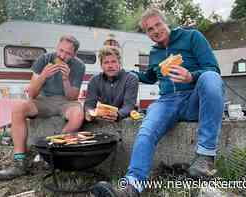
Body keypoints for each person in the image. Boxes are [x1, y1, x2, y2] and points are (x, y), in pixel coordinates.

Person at [92, 7, 224, 197]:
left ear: (166, 23)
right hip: (168, 101)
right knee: (146, 131)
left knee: (211, 77)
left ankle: (205, 157)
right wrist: (129, 73)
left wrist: (190, 76)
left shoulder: (192, 37)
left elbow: (212, 68)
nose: (155, 31)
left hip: (194, 98)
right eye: (149, 29)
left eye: (158, 25)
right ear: (146, 33)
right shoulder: (154, 53)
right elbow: (151, 76)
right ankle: (131, 187)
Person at [0, 35, 86, 181]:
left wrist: (65, 79)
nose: (62, 56)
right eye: (60, 50)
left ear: (74, 54)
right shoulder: (44, 59)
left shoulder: (79, 66)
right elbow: (31, 93)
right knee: (18, 108)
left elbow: (73, 97)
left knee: (78, 115)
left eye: (68, 53)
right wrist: (43, 76)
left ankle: (52, 153)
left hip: (66, 102)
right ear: (57, 47)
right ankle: (20, 162)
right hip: (43, 100)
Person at [84, 47, 138, 122]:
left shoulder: (131, 78)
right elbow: (89, 104)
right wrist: (90, 113)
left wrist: (118, 114)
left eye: (113, 62)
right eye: (106, 62)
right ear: (101, 65)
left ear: (119, 63)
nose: (110, 66)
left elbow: (129, 106)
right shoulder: (94, 80)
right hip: (104, 118)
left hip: (126, 119)